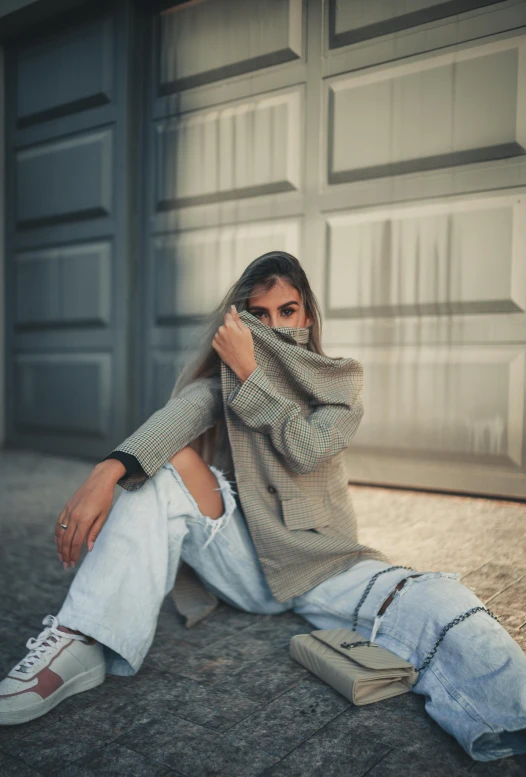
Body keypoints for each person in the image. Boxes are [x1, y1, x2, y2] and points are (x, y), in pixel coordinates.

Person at [1, 252, 525, 763]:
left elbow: (307, 450)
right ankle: (82, 637)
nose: (275, 326)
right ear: (240, 319)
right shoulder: (224, 385)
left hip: (328, 566)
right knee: (163, 467)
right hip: (249, 564)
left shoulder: (341, 386)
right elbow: (178, 418)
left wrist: (253, 375)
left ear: (309, 315)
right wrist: (107, 470)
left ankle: (511, 713)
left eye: (288, 311)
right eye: (259, 315)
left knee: (441, 597)